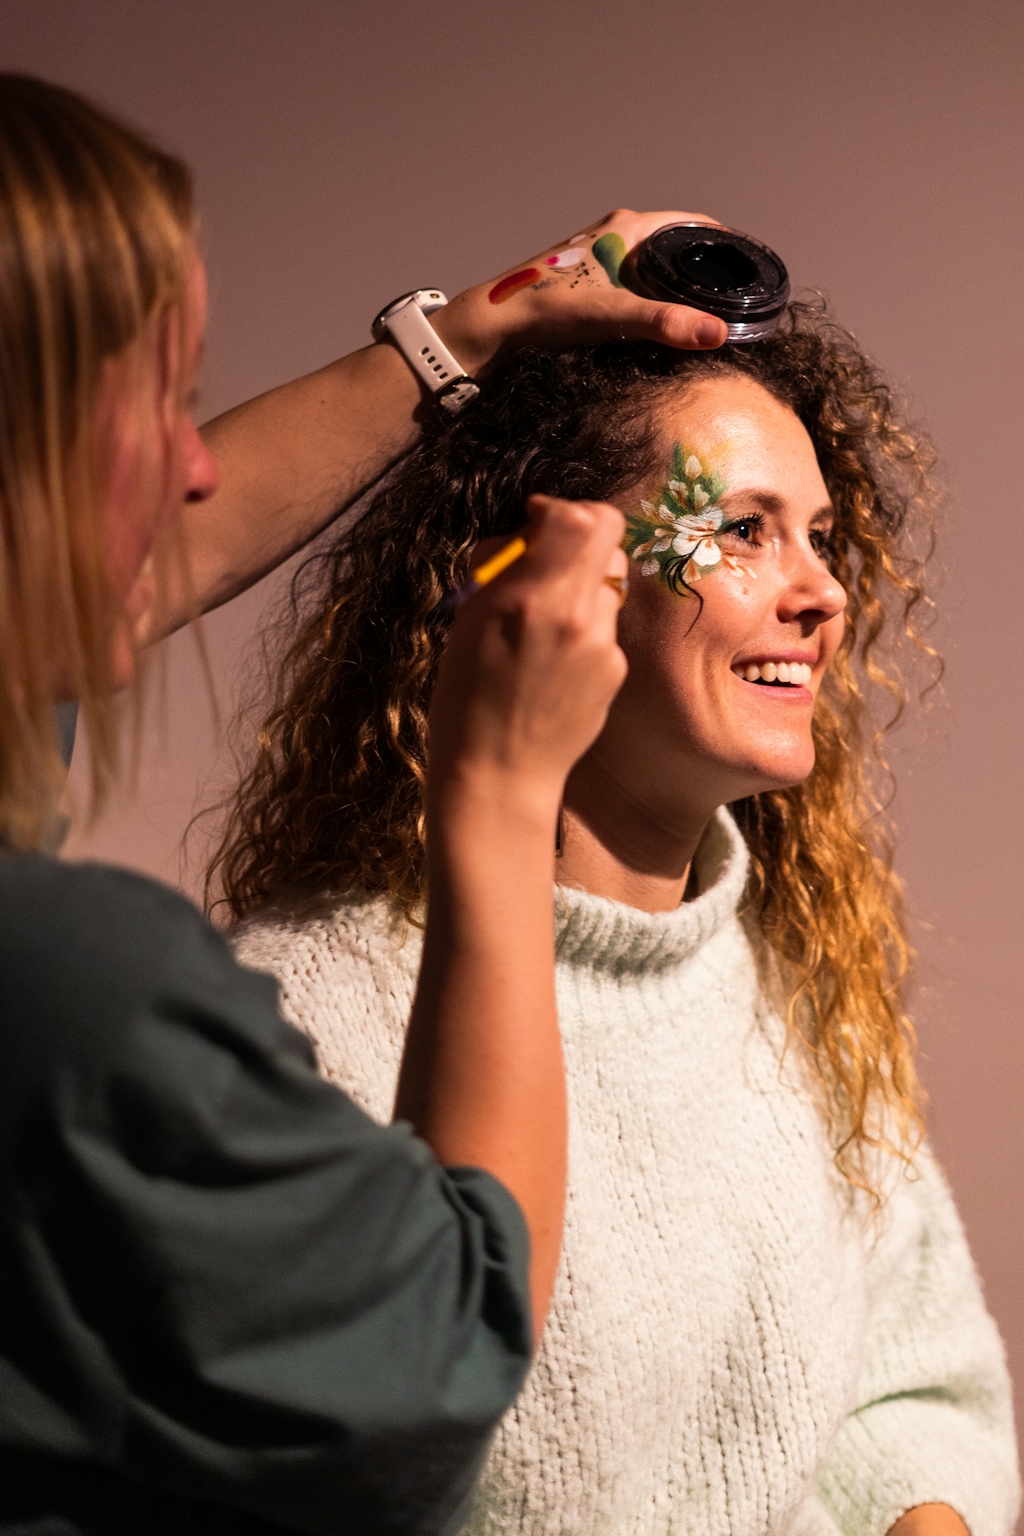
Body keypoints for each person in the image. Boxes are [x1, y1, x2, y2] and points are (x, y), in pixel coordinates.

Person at [0, 73, 726, 1535]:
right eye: (154, 404)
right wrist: (498, 794)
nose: (199, 467)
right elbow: (443, 1366)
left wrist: (469, 333)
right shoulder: (78, 989)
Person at [219, 316, 1021, 1536]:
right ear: (542, 589)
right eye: (742, 529)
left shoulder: (804, 999)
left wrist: (926, 1516)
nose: (823, 592)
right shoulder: (305, 1021)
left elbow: (919, 1384)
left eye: (820, 536)